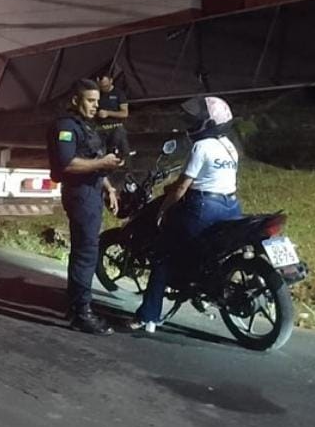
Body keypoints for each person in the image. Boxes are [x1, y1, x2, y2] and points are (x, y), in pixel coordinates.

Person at [130, 96, 242, 330]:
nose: (191, 123)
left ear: (209, 123)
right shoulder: (230, 146)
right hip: (231, 207)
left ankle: (148, 316)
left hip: (204, 208)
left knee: (163, 256)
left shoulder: (201, 146)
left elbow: (181, 187)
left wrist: (163, 209)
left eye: (196, 120)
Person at [47, 79, 123, 335]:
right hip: (80, 195)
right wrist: (102, 164)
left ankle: (75, 305)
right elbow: (67, 164)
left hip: (90, 192)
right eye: (90, 101)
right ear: (75, 101)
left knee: (83, 251)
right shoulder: (66, 127)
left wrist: (108, 186)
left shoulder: (85, 127)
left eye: (97, 101)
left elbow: (91, 160)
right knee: (86, 253)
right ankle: (82, 313)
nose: (95, 106)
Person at [95, 74, 131, 159]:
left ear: (111, 81)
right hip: (100, 128)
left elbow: (124, 113)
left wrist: (108, 113)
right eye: (102, 86)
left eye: (106, 86)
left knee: (122, 152)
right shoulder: (97, 93)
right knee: (99, 153)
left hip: (116, 127)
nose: (104, 88)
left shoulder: (119, 93)